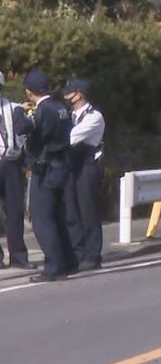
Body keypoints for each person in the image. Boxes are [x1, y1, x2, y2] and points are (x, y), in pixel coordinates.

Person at [22, 69, 75, 282]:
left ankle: (53, 266)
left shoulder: (41, 110)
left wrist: (18, 111)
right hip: (61, 165)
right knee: (57, 217)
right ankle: (68, 260)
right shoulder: (61, 107)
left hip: (45, 169)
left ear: (29, 91)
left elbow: (22, 127)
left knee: (43, 219)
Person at [63, 78, 105, 271]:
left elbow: (72, 138)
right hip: (72, 165)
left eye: (70, 91)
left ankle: (93, 255)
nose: (66, 94)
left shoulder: (94, 117)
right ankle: (77, 253)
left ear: (79, 93)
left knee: (88, 211)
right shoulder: (69, 115)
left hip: (88, 165)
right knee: (71, 210)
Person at [0, 73, 34, 270]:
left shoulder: (13, 109)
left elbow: (24, 133)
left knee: (14, 211)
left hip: (11, 163)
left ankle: (19, 256)